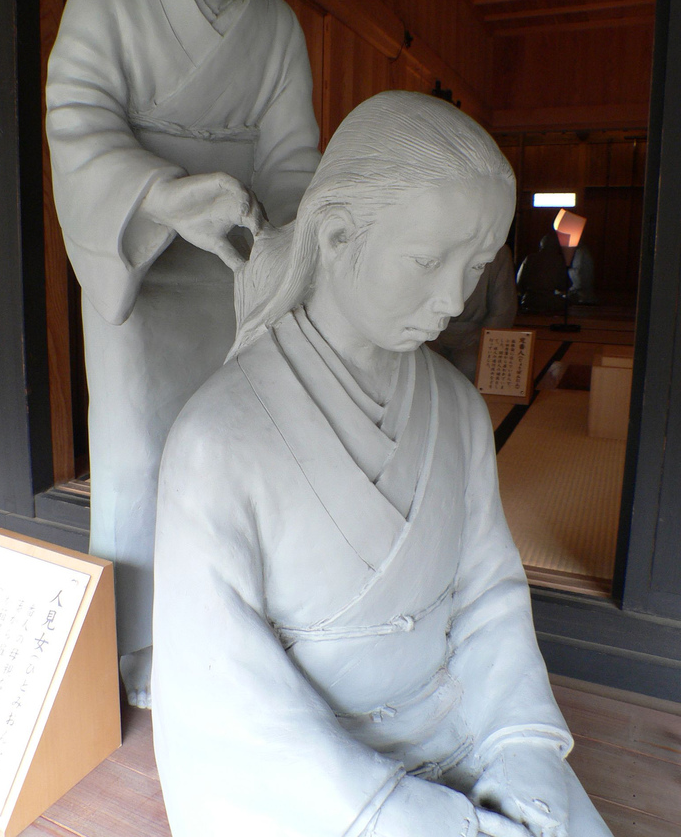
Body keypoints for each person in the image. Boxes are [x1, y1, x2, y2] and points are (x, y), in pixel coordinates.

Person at [152, 92, 613, 837]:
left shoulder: (456, 409)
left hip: (459, 729)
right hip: (316, 786)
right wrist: (406, 817)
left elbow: (489, 594)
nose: (455, 298)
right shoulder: (216, 440)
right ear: (336, 235)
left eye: (474, 266)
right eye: (430, 261)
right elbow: (225, 701)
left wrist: (521, 746)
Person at [46, 0, 337, 706]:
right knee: (137, 452)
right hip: (139, 267)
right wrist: (166, 196)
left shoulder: (279, 31)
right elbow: (78, 121)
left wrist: (290, 245)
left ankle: (230, 627)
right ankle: (136, 649)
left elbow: (292, 163)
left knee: (245, 448)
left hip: (240, 274)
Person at [429, 244, 517, 381]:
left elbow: (503, 309)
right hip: (432, 331)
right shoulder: (433, 244)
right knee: (424, 366)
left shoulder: (497, 251)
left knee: (471, 365)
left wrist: (484, 336)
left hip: (475, 333)